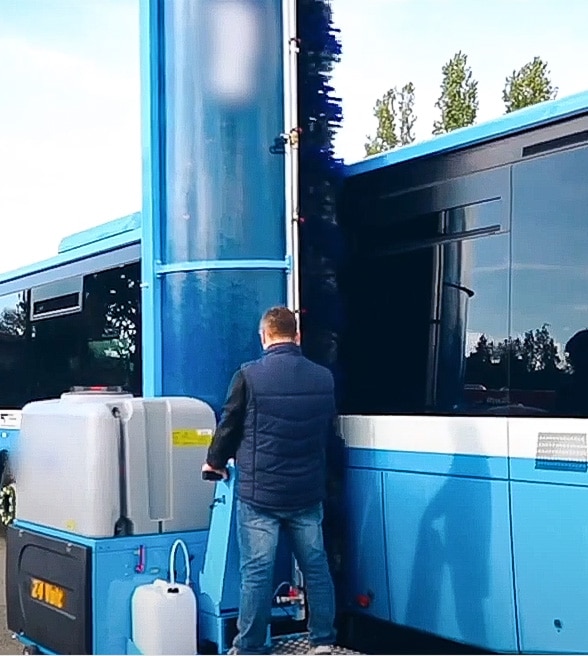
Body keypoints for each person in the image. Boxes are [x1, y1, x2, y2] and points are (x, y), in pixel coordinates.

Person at [202, 306, 337, 655]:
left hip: (260, 496)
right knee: (316, 566)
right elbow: (327, 432)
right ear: (297, 336)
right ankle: (322, 641)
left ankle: (249, 647)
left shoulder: (249, 376)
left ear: (264, 337)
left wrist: (214, 462)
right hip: (306, 493)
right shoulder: (324, 377)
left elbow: (229, 425)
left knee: (256, 574)